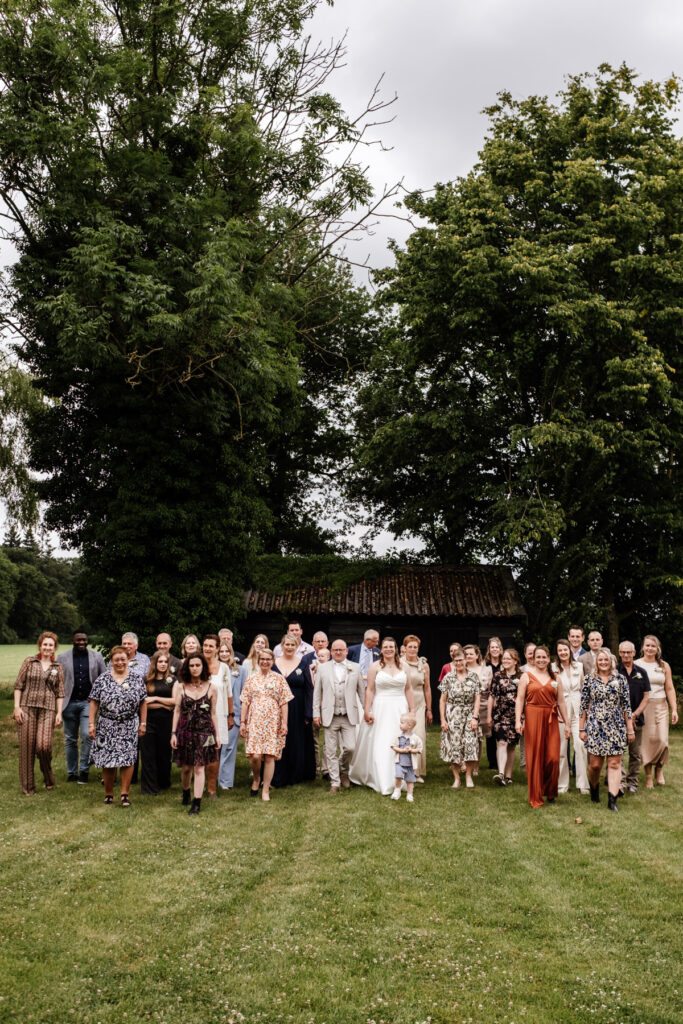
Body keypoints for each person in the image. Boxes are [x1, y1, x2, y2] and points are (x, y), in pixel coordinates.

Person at [350, 637, 415, 795]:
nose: (388, 649)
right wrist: (367, 710)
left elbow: (408, 689)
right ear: (381, 649)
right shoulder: (375, 667)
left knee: (400, 740)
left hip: (400, 707)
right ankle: (380, 778)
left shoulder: (404, 666)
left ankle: (400, 776)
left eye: (391, 647)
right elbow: (370, 690)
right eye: (385, 647)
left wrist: (412, 710)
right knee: (381, 740)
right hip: (381, 707)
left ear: (396, 649)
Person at [88, 645, 147, 806]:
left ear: (128, 660)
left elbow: (143, 702)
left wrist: (143, 723)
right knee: (108, 759)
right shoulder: (102, 679)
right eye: (116, 660)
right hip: (107, 725)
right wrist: (91, 724)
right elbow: (94, 702)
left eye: (123, 659)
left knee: (128, 759)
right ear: (111, 661)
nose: (120, 662)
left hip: (129, 724)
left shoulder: (136, 679)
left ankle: (124, 794)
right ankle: (108, 793)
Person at [579, 647, 634, 812]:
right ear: (596, 662)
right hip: (596, 726)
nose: (603, 662)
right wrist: (582, 729)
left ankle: (612, 800)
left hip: (616, 726)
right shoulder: (589, 679)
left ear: (611, 662)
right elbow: (583, 706)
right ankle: (594, 789)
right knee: (595, 765)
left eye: (606, 660)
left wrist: (629, 729)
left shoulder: (621, 679)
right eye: (600, 660)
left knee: (614, 763)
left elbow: (626, 706)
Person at [515, 645, 570, 808]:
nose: (540, 660)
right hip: (533, 716)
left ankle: (550, 790)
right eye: (537, 657)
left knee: (553, 758)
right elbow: (520, 699)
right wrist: (518, 720)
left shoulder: (556, 677)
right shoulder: (526, 676)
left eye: (543, 657)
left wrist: (567, 723)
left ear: (548, 659)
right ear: (533, 659)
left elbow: (561, 702)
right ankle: (536, 795)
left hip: (551, 718)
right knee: (535, 757)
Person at [13, 632, 65, 794]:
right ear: (40, 646)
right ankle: (28, 787)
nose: (47, 647)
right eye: (45, 644)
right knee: (27, 748)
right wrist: (16, 707)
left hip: (48, 709)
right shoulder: (29, 662)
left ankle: (48, 775)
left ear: (54, 648)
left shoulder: (57, 667)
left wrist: (59, 713)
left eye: (50, 645)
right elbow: (18, 685)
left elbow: (60, 692)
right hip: (27, 708)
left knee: (44, 746)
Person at [240, 648, 293, 801]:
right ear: (258, 661)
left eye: (268, 659)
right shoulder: (251, 678)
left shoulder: (279, 679)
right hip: (255, 721)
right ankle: (256, 779)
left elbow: (284, 702)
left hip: (272, 721)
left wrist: (284, 723)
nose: (265, 662)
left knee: (270, 755)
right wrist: (242, 722)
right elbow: (245, 701)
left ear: (272, 661)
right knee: (255, 756)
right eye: (262, 659)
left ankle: (265, 789)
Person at [312, 639, 365, 792]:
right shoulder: (323, 668)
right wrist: (316, 713)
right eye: (335, 650)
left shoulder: (355, 667)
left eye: (341, 649)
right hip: (330, 715)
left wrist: (367, 710)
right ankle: (335, 782)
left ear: (346, 651)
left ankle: (343, 770)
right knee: (330, 750)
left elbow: (361, 691)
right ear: (331, 651)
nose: (338, 652)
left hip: (348, 715)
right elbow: (317, 693)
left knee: (350, 748)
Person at [171, 653, 220, 815]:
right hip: (185, 732)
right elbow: (177, 711)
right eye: (191, 665)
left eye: (198, 665)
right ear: (187, 667)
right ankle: (186, 791)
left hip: (204, 732)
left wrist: (217, 735)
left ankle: (196, 802)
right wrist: (173, 733)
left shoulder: (212, 688)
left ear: (203, 667)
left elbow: (213, 713)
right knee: (186, 768)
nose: (195, 668)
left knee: (199, 767)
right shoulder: (181, 687)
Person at [57, 630, 106, 784]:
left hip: (88, 703)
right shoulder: (62, 658)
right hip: (68, 703)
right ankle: (72, 772)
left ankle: (84, 770)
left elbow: (103, 678)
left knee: (87, 735)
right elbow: (57, 681)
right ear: (73, 641)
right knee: (70, 739)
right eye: (78, 640)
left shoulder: (96, 657)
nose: (82, 642)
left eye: (84, 639)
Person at [271, 633, 316, 787]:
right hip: (276, 708)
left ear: (297, 647)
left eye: (292, 645)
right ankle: (276, 773)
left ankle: (297, 773)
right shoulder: (273, 663)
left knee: (296, 740)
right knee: (278, 739)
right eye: (287, 644)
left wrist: (308, 713)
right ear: (282, 646)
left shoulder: (302, 664)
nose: (289, 647)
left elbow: (309, 689)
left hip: (298, 708)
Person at [635, 635, 678, 789]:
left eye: (653, 646)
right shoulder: (636, 664)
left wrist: (674, 709)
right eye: (647, 645)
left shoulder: (664, 665)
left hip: (661, 706)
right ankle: (648, 776)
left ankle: (659, 770)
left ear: (657, 648)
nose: (650, 648)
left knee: (662, 740)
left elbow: (670, 688)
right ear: (643, 647)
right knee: (647, 742)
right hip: (644, 707)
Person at [438, 648, 481, 789]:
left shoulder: (474, 677)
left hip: (469, 713)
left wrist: (475, 717)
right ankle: (456, 778)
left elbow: (477, 698)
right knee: (454, 746)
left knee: (470, 744)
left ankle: (468, 775)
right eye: (455, 661)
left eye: (460, 660)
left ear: (465, 660)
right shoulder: (448, 677)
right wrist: (443, 720)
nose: (458, 663)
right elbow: (442, 700)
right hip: (453, 714)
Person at [554, 639, 588, 795]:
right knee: (562, 748)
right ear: (557, 652)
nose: (563, 652)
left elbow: (583, 688)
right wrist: (557, 711)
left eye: (565, 650)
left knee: (580, 745)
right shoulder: (553, 668)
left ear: (569, 651)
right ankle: (562, 784)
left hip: (578, 710)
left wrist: (585, 711)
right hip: (562, 711)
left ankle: (583, 784)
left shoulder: (578, 666)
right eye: (560, 650)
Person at [202, 634, 234, 797]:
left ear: (217, 649)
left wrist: (230, 715)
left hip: (218, 714)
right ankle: (199, 785)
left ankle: (212, 788)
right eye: (205, 645)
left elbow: (228, 693)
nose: (207, 648)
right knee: (199, 751)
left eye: (211, 646)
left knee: (214, 751)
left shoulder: (224, 668)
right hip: (199, 715)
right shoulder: (196, 664)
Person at [616, 641, 650, 794]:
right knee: (619, 753)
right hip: (618, 719)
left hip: (637, 719)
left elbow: (646, 697)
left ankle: (632, 782)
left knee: (635, 753)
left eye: (628, 652)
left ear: (634, 653)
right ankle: (620, 782)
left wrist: (634, 714)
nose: (626, 655)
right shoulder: (614, 672)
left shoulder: (642, 672)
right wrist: (625, 716)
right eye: (623, 652)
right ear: (619, 653)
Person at [140, 651, 176, 795]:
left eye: (165, 662)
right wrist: (164, 704)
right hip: (148, 720)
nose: (163, 664)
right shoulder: (146, 680)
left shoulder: (172, 680)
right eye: (160, 662)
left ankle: (163, 783)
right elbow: (143, 703)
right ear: (154, 663)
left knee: (164, 753)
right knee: (148, 754)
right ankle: (149, 787)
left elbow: (175, 702)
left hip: (166, 721)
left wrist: (155, 699)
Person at [401, 634, 432, 782]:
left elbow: (427, 688)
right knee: (403, 735)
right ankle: (401, 770)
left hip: (419, 703)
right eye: (410, 647)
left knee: (419, 735)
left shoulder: (424, 665)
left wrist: (429, 709)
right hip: (403, 701)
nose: (413, 649)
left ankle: (416, 772)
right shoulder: (399, 663)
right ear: (405, 648)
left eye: (415, 647)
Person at [488, 647, 521, 785]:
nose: (505, 661)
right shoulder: (497, 676)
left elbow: (525, 698)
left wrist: (522, 718)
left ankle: (508, 776)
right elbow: (491, 695)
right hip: (500, 715)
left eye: (509, 658)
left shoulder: (521, 676)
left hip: (515, 715)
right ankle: (500, 773)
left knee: (511, 746)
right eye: (504, 658)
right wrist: (489, 716)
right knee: (501, 742)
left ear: (515, 661)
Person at [217, 640, 247, 790]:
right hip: (215, 714)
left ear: (231, 653)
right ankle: (211, 779)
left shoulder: (240, 671)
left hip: (233, 714)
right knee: (214, 748)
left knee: (228, 749)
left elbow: (244, 695)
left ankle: (225, 782)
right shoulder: (213, 669)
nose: (224, 654)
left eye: (226, 651)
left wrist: (243, 718)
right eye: (221, 651)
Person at [464, 644, 489, 773]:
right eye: (466, 654)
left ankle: (475, 765)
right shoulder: (461, 669)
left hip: (482, 706)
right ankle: (464, 762)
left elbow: (489, 688)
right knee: (465, 735)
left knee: (478, 737)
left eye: (471, 654)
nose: (468, 656)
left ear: (477, 655)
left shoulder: (485, 670)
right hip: (465, 706)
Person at [391, 713, 423, 803]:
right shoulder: (398, 737)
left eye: (402, 722)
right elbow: (393, 746)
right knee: (398, 776)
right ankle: (397, 791)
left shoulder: (416, 738)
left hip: (410, 765)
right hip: (400, 763)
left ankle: (410, 794)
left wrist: (411, 750)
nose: (400, 724)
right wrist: (401, 751)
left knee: (410, 780)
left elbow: (419, 749)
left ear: (409, 725)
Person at [483, 637, 503, 769]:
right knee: (490, 733)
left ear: (500, 649)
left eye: (497, 647)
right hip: (488, 701)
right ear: (489, 650)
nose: (494, 649)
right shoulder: (485, 665)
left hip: (502, 702)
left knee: (500, 732)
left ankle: (502, 760)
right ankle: (492, 763)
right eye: (492, 647)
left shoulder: (504, 664)